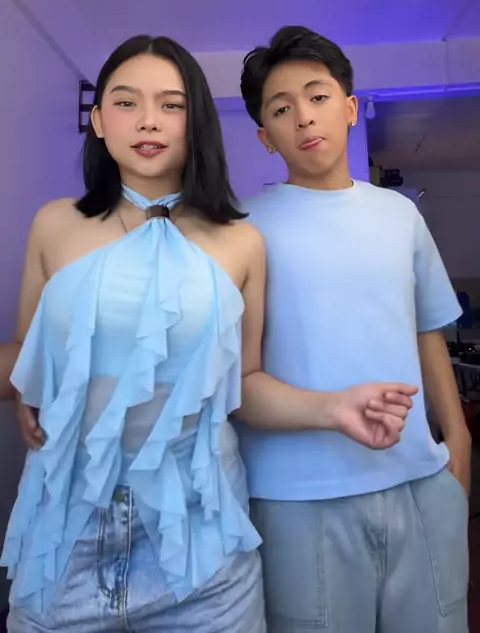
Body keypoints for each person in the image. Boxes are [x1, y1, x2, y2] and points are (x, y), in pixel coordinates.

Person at [1, 35, 415, 632]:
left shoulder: (241, 241)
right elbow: (26, 356)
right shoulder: (55, 224)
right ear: (98, 120)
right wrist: (28, 384)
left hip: (202, 547)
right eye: (126, 102)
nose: (148, 120)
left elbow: (244, 385)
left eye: (171, 105)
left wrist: (334, 407)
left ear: (195, 122)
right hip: (67, 539)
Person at [238, 26, 471, 633]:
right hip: (296, 495)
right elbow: (237, 376)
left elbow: (426, 329)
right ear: (265, 137)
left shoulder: (400, 213)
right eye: (280, 110)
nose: (303, 118)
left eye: (317, 97)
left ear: (348, 108)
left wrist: (459, 443)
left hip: (419, 479)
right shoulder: (242, 229)